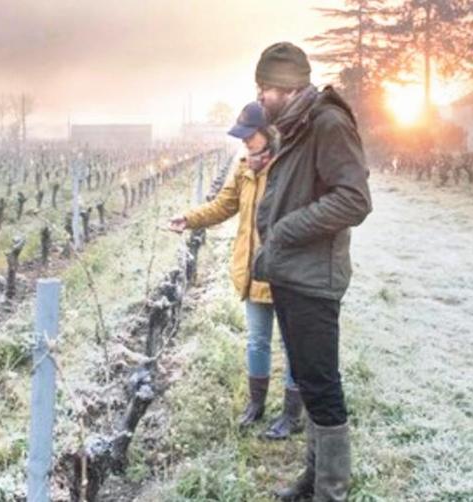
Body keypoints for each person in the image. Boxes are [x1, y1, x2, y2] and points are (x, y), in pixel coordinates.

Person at [251, 42, 372, 501]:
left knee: (321, 383)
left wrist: (285, 229)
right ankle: (313, 480)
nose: (260, 96)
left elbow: (355, 199)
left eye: (264, 87)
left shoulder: (327, 123)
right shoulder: (297, 125)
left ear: (285, 86)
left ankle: (331, 491)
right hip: (291, 273)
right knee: (306, 375)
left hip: (313, 276)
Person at [168, 102, 303, 440]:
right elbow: (224, 205)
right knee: (257, 341)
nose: (244, 142)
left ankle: (291, 414)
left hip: (286, 270)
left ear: (267, 133)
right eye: (241, 136)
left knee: (292, 345)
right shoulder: (243, 167)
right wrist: (190, 219)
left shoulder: (288, 167)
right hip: (253, 267)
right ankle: (256, 406)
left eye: (249, 136)